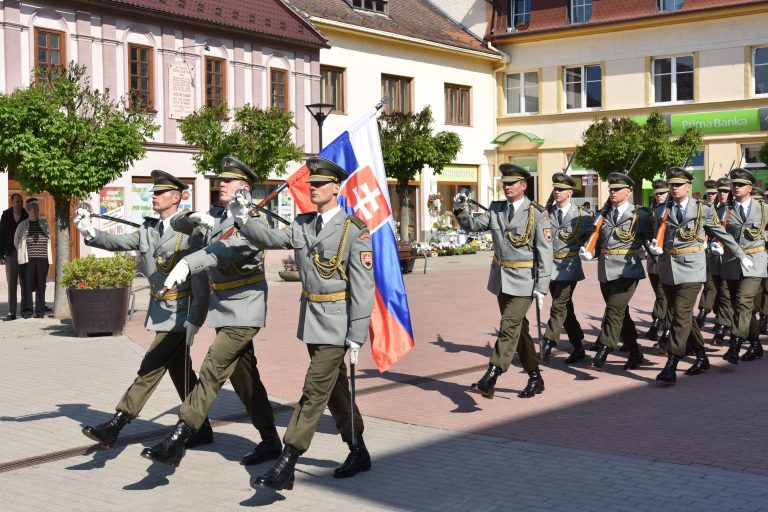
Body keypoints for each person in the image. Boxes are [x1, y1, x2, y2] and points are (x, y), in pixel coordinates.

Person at [231, 156, 374, 491]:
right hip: (312, 320)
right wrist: (244, 218)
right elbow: (268, 238)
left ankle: (288, 460)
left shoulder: (355, 230)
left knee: (313, 390)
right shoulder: (303, 223)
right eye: (311, 184)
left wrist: (357, 334)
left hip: (338, 324)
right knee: (334, 390)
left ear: (336, 188)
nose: (313, 189)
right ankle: (358, 449)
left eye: (320, 184)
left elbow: (364, 286)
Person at [141, 156, 280, 469]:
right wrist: (196, 218)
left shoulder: (253, 222)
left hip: (245, 309)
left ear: (244, 188)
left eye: (228, 182)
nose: (222, 185)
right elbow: (178, 225)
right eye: (221, 180)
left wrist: (189, 262)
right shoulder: (219, 218)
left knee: (211, 369)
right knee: (247, 381)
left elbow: (222, 253)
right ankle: (271, 440)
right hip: (225, 311)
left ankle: (179, 437)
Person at [75, 170, 214, 450]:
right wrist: (90, 231)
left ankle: (117, 422)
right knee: (180, 371)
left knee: (151, 366)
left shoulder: (191, 230)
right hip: (160, 310)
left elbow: (200, 274)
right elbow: (120, 242)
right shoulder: (149, 229)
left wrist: (197, 317)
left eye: (160, 193)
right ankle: (201, 428)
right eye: (153, 192)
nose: (154, 196)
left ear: (176, 198)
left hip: (180, 313)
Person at [454, 164, 552, 399]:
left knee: (508, 326)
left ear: (524, 186)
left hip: (524, 282)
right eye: (505, 183)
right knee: (520, 331)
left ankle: (492, 374)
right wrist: (460, 209)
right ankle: (536, 377)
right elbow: (474, 226)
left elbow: (545, 253)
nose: (507, 187)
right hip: (501, 279)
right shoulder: (497, 209)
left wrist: (541, 288)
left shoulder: (537, 213)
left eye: (512, 183)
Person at [647, 168, 744, 383]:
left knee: (680, 316)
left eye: (678, 184)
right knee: (682, 316)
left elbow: (721, 234)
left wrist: (740, 254)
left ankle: (671, 363)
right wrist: (652, 247)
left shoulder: (703, 210)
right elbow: (652, 235)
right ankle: (701, 356)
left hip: (692, 270)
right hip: (668, 270)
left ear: (688, 186)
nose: (673, 188)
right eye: (671, 184)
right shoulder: (660, 210)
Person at [579, 173, 654, 372]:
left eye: (617, 189)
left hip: (627, 270)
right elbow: (598, 241)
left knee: (614, 310)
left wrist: (655, 250)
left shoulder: (641, 215)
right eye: (611, 189)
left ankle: (603, 351)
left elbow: (653, 239)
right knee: (621, 312)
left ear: (628, 192)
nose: (613, 192)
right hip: (605, 270)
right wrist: (590, 252)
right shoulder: (602, 215)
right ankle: (635, 352)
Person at [539, 172, 593, 365]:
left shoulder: (583, 216)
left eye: (561, 189)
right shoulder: (546, 214)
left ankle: (547, 344)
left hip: (568, 267)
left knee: (559, 305)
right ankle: (578, 346)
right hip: (549, 268)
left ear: (570, 192)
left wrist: (590, 251)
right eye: (555, 189)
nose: (557, 192)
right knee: (565, 309)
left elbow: (594, 239)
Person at [717, 168, 765, 364]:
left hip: (755, 261)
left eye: (740, 185)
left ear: (749, 188)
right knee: (742, 307)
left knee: (743, 301)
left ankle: (735, 343)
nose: (735, 188)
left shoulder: (763, 209)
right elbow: (716, 232)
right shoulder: (725, 211)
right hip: (732, 263)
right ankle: (755, 344)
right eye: (733, 184)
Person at [14, 199, 50, 319]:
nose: (35, 211)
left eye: (37, 209)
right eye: (33, 209)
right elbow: (16, 240)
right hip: (27, 260)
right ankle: (27, 311)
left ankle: (40, 312)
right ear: (28, 210)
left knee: (41, 285)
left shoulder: (43, 222)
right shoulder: (23, 225)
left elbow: (49, 236)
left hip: (42, 258)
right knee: (26, 285)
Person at [645, 179, 669, 348]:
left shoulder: (672, 209)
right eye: (657, 193)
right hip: (653, 259)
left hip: (667, 258)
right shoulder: (650, 211)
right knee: (659, 294)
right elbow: (646, 232)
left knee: (663, 295)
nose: (659, 195)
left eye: (662, 193)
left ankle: (658, 324)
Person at [710, 177, 734, 345]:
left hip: (730, 259)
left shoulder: (735, 210)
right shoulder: (715, 210)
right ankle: (726, 320)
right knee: (717, 294)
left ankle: (721, 327)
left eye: (726, 191)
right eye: (720, 191)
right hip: (714, 259)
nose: (722, 194)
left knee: (725, 295)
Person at [695, 179, 720, 327]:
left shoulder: (725, 208)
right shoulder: (702, 207)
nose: (711, 196)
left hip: (719, 253)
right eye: (709, 194)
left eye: (714, 194)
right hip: (703, 252)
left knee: (717, 287)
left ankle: (718, 319)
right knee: (709, 285)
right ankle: (703, 313)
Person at [0, 193, 28, 320]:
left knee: (24, 282)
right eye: (17, 201)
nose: (20, 203)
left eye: (21, 201)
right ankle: (12, 312)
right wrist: (1, 254)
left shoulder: (26, 215)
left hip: (23, 252)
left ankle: (25, 310)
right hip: (10, 252)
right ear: (12, 202)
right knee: (12, 283)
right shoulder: (5, 215)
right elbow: (1, 234)